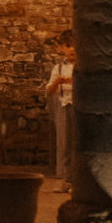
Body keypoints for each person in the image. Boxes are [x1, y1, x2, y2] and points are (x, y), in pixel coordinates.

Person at [45, 28, 75, 184]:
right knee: (64, 142)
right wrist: (58, 82)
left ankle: (78, 179)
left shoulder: (83, 67)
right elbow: (49, 90)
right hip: (64, 105)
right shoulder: (59, 68)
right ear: (62, 48)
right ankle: (64, 178)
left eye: (75, 46)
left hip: (79, 108)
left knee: (78, 143)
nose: (72, 49)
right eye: (68, 46)